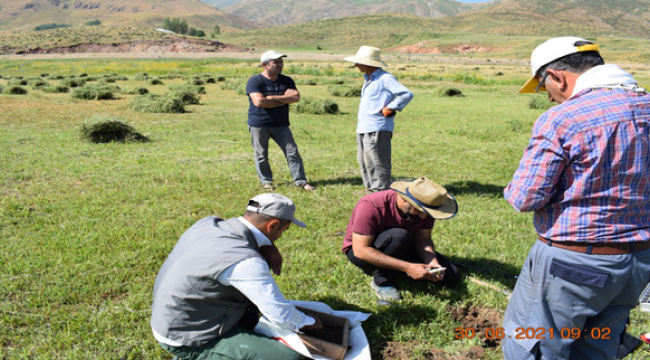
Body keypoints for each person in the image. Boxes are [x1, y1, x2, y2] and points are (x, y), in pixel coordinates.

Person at [503, 36, 650, 360]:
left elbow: (525, 197)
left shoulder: (565, 118)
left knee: (533, 347)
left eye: (544, 88)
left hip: (573, 264)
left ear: (557, 77)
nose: (550, 98)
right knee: (597, 347)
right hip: (638, 262)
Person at [151, 193, 322, 360]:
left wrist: (263, 244)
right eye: (284, 230)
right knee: (288, 357)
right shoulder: (245, 260)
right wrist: (308, 322)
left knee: (252, 314)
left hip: (176, 315)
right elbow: (281, 314)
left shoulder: (208, 223)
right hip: (186, 337)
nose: (281, 236)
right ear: (272, 225)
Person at [342, 177, 460, 302]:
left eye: (427, 212)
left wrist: (433, 263)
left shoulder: (426, 209)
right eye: (420, 211)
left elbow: (423, 239)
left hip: (403, 245)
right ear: (404, 199)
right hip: (362, 252)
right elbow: (360, 250)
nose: (423, 216)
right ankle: (383, 282)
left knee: (451, 275)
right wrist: (408, 267)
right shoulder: (370, 205)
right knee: (399, 236)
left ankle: (395, 267)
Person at [344, 46, 414, 193]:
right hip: (364, 126)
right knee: (364, 160)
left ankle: (380, 190)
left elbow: (406, 94)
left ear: (368, 63)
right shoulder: (368, 79)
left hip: (378, 126)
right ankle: (370, 187)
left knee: (378, 161)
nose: (356, 65)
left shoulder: (385, 78)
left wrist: (391, 107)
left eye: (359, 62)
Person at [246, 50, 316, 191]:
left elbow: (295, 98)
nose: (280, 65)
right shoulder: (255, 81)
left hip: (281, 125)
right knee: (261, 155)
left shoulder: (286, 80)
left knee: (293, 152)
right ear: (264, 65)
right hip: (259, 124)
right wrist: (283, 99)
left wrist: (270, 99)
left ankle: (301, 181)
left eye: (281, 62)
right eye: (276, 62)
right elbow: (259, 102)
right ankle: (266, 182)